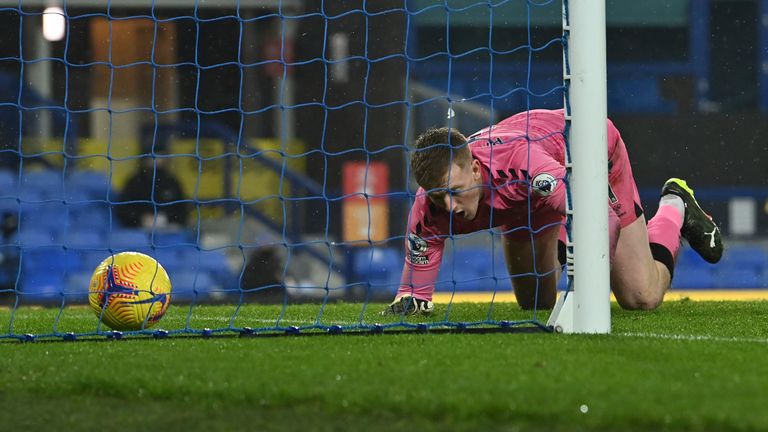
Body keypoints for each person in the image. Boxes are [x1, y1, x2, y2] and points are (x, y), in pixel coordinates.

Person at [384, 109, 723, 315]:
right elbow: (414, 295)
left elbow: (597, 215)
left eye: (455, 194)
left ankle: (675, 204)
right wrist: (409, 302)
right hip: (525, 203)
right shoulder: (428, 208)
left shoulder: (524, 165)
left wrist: (577, 269)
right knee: (538, 305)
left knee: (641, 297)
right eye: (439, 197)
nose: (450, 208)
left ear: (474, 170)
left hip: (586, 160)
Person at [116, 155, 189, 229]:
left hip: (169, 231)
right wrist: (141, 218)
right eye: (152, 157)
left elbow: (182, 210)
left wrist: (166, 219)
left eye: (160, 156)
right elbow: (123, 210)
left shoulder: (172, 182)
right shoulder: (134, 182)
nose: (157, 160)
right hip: (138, 231)